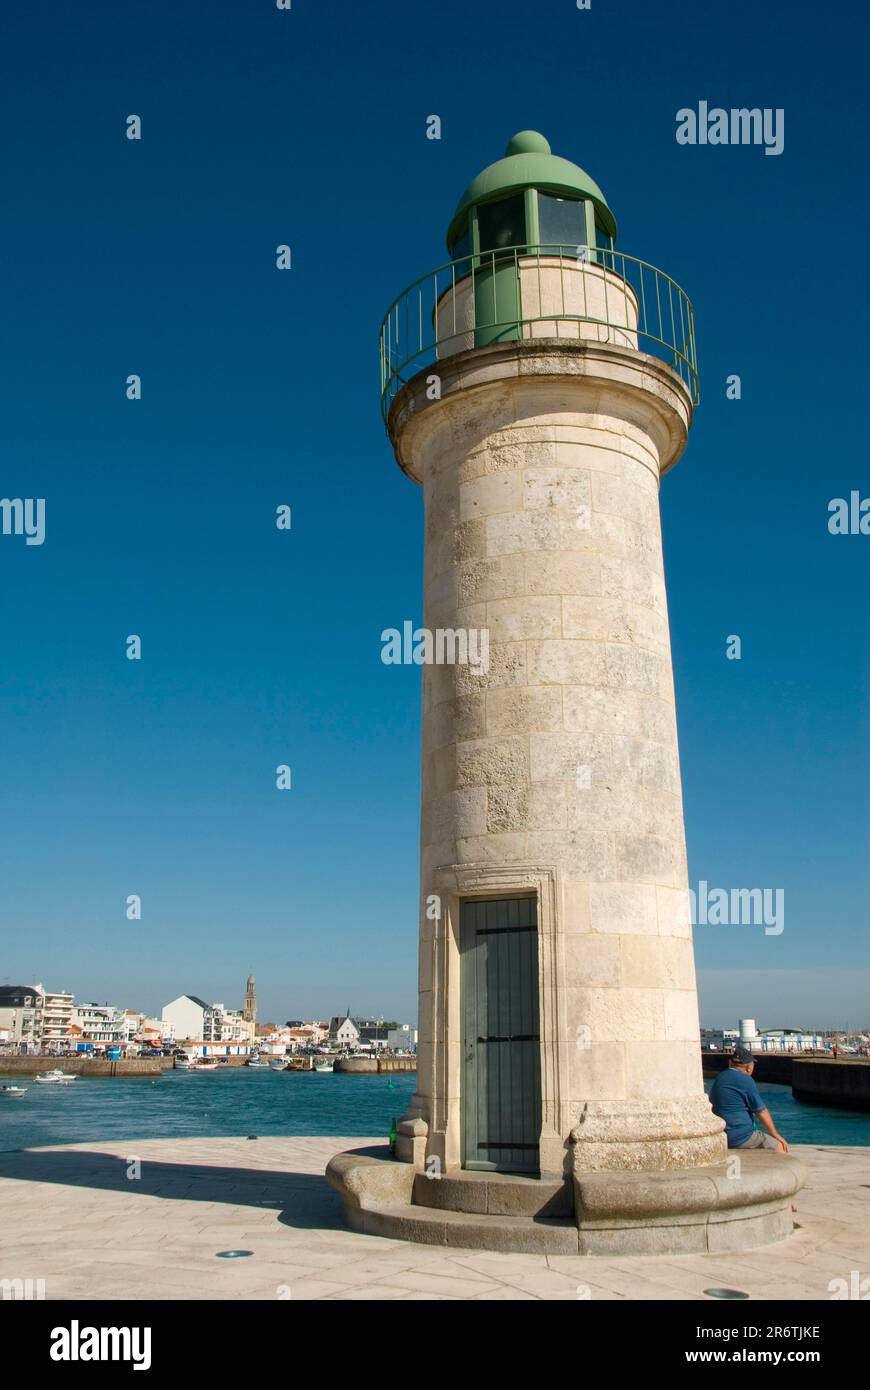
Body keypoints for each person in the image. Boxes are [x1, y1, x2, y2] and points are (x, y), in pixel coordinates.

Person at [709, 1046, 789, 1151]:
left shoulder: (721, 1076)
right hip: (740, 1136)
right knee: (779, 1146)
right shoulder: (745, 1080)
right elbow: (761, 1111)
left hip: (723, 1134)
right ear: (748, 1068)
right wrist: (775, 1134)